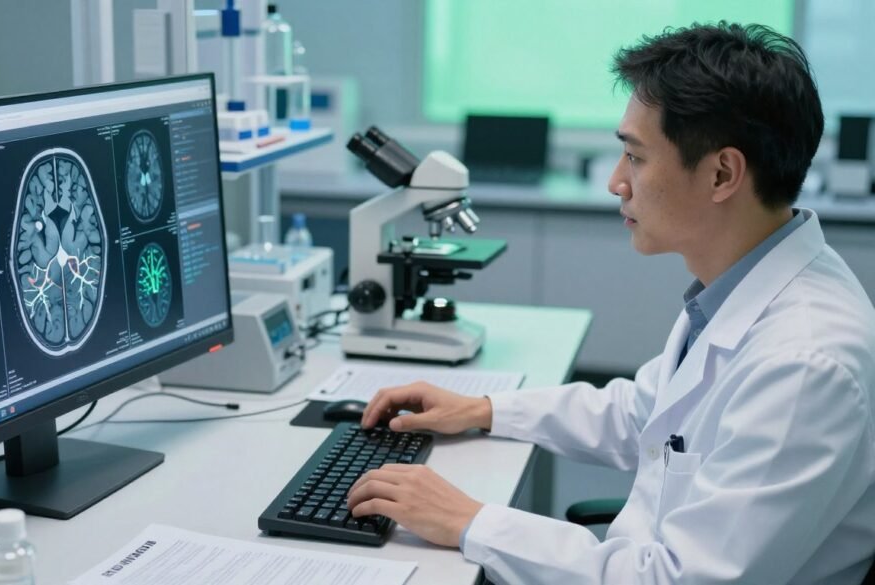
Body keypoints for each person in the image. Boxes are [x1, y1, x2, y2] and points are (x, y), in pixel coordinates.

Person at [346, 22, 875, 585]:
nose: (617, 182)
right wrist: (484, 410)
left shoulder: (804, 364)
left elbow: (677, 580)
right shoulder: (740, 284)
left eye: (636, 157)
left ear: (723, 173)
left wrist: (472, 521)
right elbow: (642, 413)